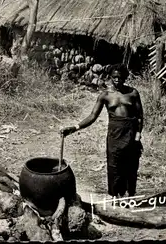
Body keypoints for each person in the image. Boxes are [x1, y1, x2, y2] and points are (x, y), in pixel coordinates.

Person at [60, 63, 144, 201]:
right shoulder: (105, 96)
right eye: (115, 77)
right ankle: (115, 197)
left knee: (130, 166)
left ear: (125, 77)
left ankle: (130, 196)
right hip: (114, 135)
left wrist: (137, 135)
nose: (117, 80)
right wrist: (74, 127)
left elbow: (140, 116)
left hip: (130, 134)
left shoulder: (133, 93)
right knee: (114, 166)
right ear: (111, 77)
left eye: (120, 77)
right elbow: (92, 116)